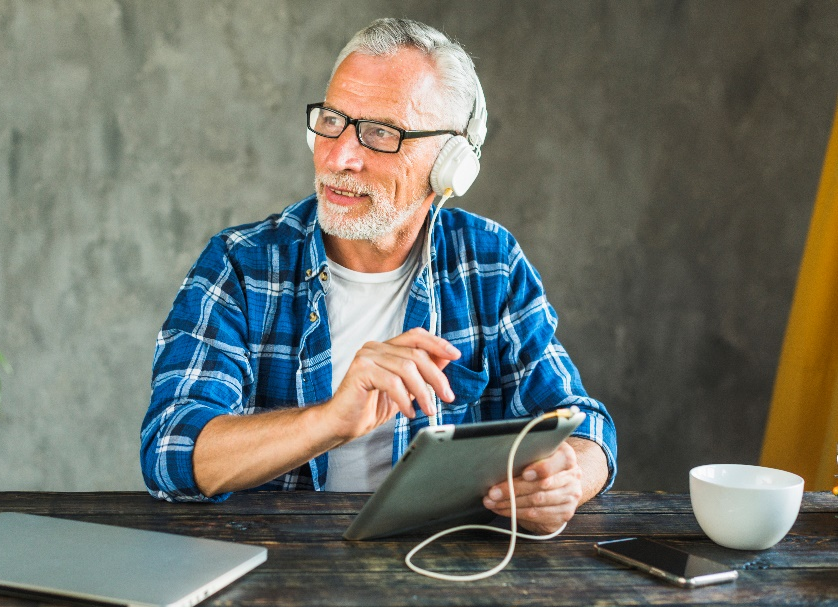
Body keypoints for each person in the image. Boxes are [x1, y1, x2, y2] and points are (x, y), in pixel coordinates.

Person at [140, 18, 617, 534]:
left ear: (451, 165)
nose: (340, 157)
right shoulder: (240, 264)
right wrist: (329, 421)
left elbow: (583, 422)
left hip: (444, 573)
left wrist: (567, 478)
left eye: (380, 133)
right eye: (331, 121)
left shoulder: (490, 261)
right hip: (275, 574)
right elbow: (171, 448)